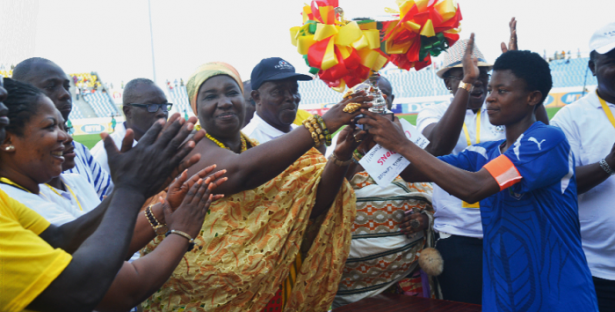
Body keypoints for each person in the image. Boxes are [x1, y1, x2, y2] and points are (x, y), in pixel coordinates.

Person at [359, 35, 598, 311]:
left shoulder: (546, 140)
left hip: (557, 294)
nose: (490, 98)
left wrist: (401, 144)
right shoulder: (485, 152)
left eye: (502, 91)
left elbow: (474, 188)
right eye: (491, 89)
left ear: (533, 97)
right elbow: (414, 172)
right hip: (507, 292)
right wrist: (375, 139)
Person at [140, 61, 372, 311]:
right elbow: (240, 172)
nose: (225, 102)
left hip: (268, 292)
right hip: (193, 296)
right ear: (196, 106)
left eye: (231, 93)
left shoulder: (260, 153)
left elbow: (313, 205)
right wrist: (322, 125)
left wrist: (342, 154)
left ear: (243, 99)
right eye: (210, 96)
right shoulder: (188, 144)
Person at [0, 77, 212, 311]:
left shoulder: (11, 199)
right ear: (7, 139)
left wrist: (153, 201)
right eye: (51, 126)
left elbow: (63, 240)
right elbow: (90, 290)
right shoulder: (14, 195)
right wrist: (181, 231)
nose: (66, 137)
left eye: (65, 127)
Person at [551, 22, 615, 312]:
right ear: (592, 66)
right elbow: (558, 184)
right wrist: (609, 163)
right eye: (611, 61)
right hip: (597, 268)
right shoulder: (570, 118)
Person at [333, 134, 435, 308]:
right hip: (349, 286)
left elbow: (437, 205)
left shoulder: (408, 169)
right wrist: (355, 150)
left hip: (404, 281)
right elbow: (328, 193)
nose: (376, 138)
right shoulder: (344, 153)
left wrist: (425, 219)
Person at [12, 57, 113, 200]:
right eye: (51, 86)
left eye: (66, 86)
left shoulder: (78, 151)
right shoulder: (14, 171)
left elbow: (108, 204)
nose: (65, 94)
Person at [91, 78, 171, 174]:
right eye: (151, 106)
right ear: (128, 112)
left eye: (164, 106)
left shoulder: (170, 144)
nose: (162, 113)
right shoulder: (103, 155)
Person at [242, 57, 311, 144]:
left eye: (294, 90)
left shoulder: (306, 136)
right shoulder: (247, 143)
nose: (291, 97)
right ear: (256, 97)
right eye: (279, 92)